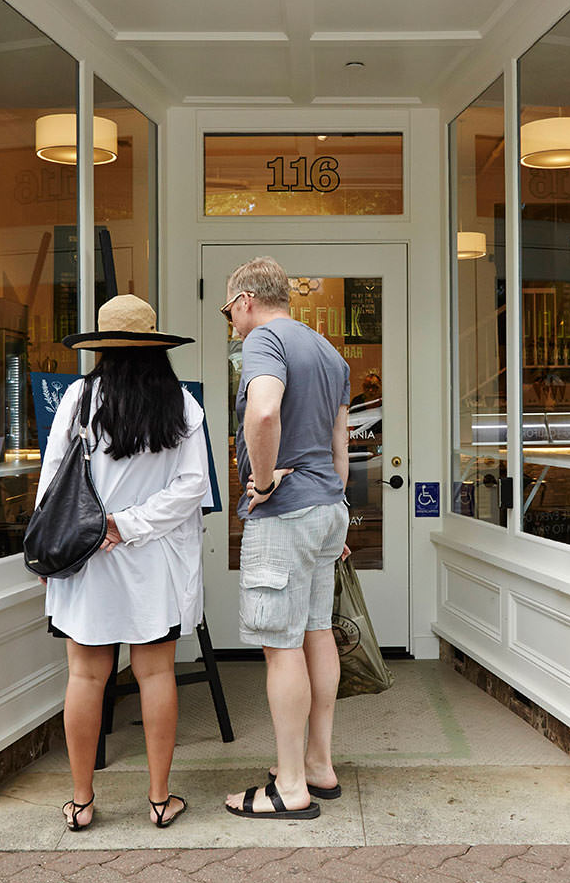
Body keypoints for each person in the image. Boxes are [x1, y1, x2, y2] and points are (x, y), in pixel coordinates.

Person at [34, 294, 209, 832]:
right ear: (157, 347)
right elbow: (192, 486)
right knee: (156, 675)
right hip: (153, 561)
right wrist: (128, 526)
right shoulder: (180, 404)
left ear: (102, 350)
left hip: (86, 560)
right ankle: (159, 800)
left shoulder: (79, 399)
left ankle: (82, 802)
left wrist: (52, 544)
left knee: (85, 678)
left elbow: (52, 482)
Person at [219, 256, 352, 820]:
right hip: (328, 507)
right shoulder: (329, 352)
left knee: (281, 647)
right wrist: (337, 501)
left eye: (229, 310)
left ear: (247, 299)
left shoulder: (263, 341)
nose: (230, 321)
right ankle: (319, 765)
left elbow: (264, 412)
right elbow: (340, 440)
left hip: (287, 513)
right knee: (317, 632)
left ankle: (290, 786)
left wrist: (266, 479)